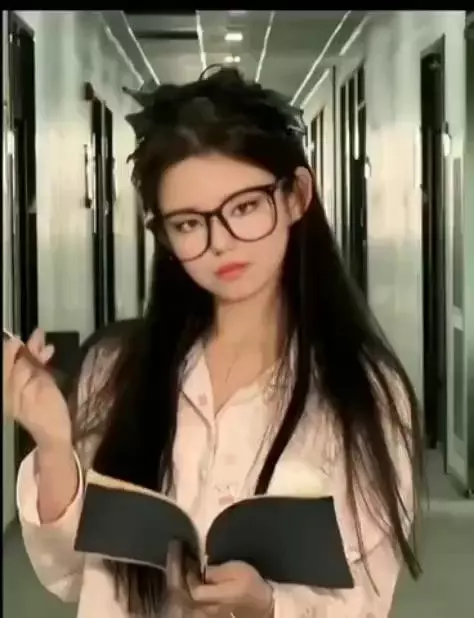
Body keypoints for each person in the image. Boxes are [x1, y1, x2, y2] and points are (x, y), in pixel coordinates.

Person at [3, 66, 423, 618]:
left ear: (296, 196)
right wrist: (54, 444)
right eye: (188, 223)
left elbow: (368, 597)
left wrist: (269, 605)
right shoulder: (115, 369)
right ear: (164, 234)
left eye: (244, 207)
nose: (220, 242)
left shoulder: (362, 391)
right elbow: (70, 572)